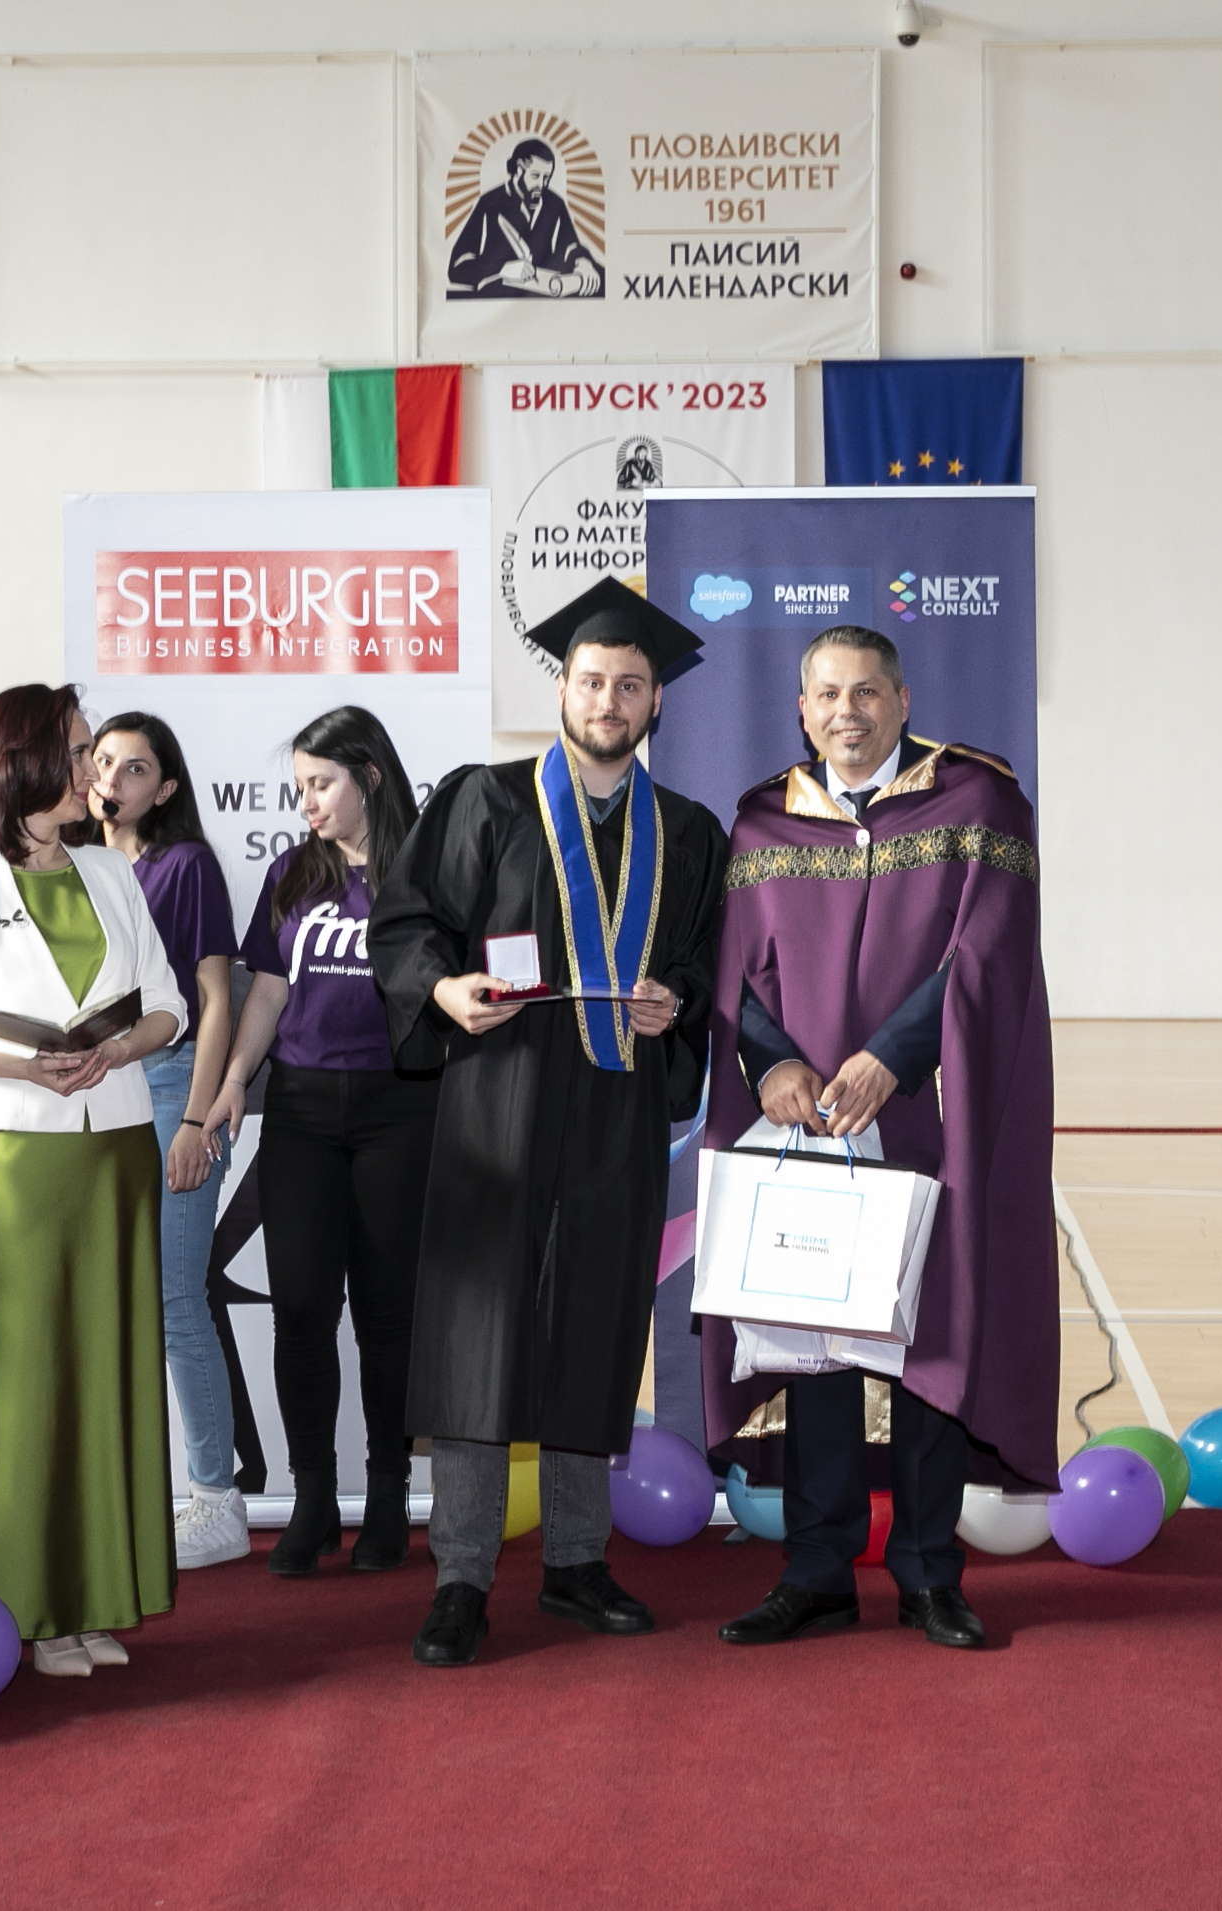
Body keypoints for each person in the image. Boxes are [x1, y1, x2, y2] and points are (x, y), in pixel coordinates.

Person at [369, 577, 728, 1667]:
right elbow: (408, 923)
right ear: (561, 688)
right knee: (478, 1334)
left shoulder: (688, 830)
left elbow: (703, 962)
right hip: (498, 1102)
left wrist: (677, 1000)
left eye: (629, 685)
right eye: (590, 680)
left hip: (617, 1105)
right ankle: (461, 1576)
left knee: (594, 1327)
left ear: (655, 701)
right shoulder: (483, 799)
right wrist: (441, 991)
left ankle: (576, 1561)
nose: (607, 700)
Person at [700, 626, 1060, 1652]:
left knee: (926, 1343)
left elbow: (987, 952)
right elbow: (736, 971)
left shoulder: (977, 803)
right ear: (800, 710)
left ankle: (927, 1572)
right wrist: (772, 1063)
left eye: (865, 692)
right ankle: (815, 1570)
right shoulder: (762, 821)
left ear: (902, 700)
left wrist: (892, 1056)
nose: (845, 712)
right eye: (826, 695)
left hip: (926, 1113)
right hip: (809, 1121)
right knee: (815, 1341)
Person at [0, 685, 188, 1674]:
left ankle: (95, 1598)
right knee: (29, 1384)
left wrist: (116, 1048)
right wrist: (20, 1064)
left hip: (116, 1147)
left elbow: (168, 1008)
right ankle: (29, 1607)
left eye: (92, 753)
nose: (90, 772)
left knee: (109, 1374)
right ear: (13, 760)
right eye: (73, 753)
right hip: (15, 1154)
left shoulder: (110, 871)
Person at [208, 707, 436, 1579]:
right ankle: (312, 1496)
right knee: (302, 1308)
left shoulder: (426, 871)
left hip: (400, 1109)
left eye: (320, 783)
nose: (305, 801)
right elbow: (267, 992)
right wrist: (235, 1079)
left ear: (368, 776)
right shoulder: (293, 871)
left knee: (387, 1317)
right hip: (301, 1111)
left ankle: (385, 1497)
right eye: (299, 785)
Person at [87, 711, 248, 1570]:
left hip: (167, 1082)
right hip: (93, 1088)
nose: (112, 779)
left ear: (167, 788)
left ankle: (216, 1499)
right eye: (103, 761)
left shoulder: (184, 865)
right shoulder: (75, 867)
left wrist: (195, 1117)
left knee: (174, 1296)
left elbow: (215, 998)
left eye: (135, 768)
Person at [446, 137, 604, 299]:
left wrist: (583, 262)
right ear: (519, 169)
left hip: (544, 301)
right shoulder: (489, 203)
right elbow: (457, 266)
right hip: (500, 300)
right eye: (535, 176)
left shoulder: (554, 203)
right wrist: (502, 269)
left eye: (547, 178)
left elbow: (570, 245)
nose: (542, 185)